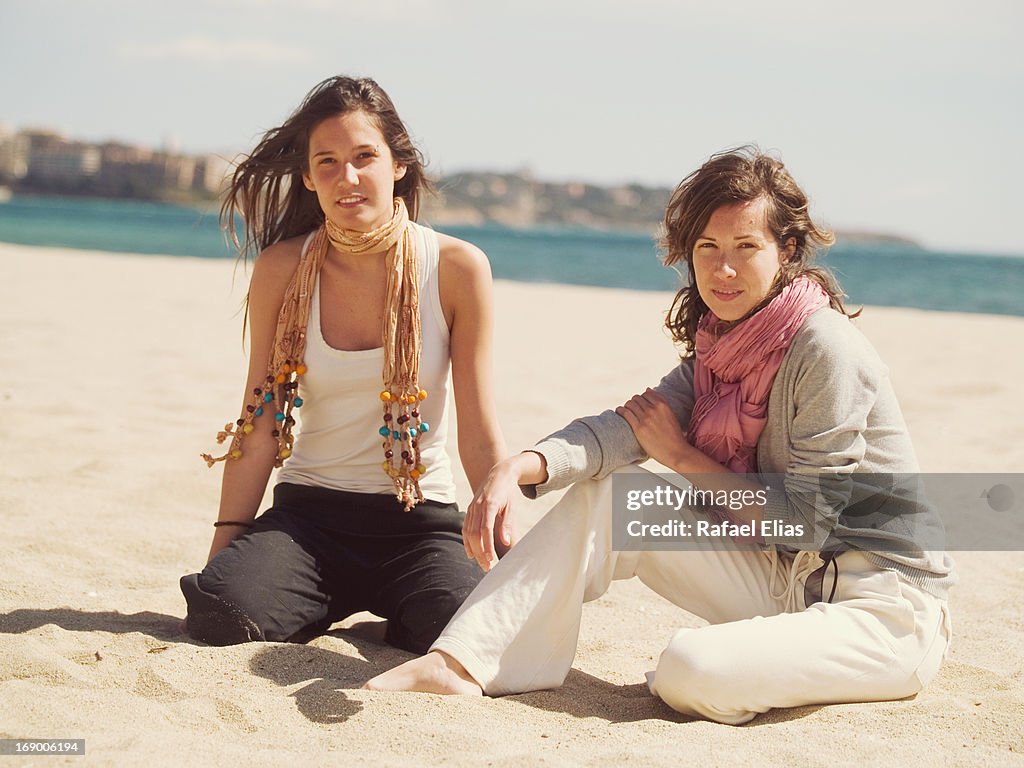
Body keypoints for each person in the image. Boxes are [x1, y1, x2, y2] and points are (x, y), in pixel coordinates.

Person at [364, 147, 956, 724]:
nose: (723, 269)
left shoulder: (825, 348)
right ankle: (462, 664)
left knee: (687, 669)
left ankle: (768, 660)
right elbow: (628, 429)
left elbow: (808, 520)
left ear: (788, 249)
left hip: (882, 606)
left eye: (746, 247)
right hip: (785, 577)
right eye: (708, 247)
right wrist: (522, 465)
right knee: (613, 494)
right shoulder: (722, 346)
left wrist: (681, 455)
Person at [180, 76, 507, 654]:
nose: (347, 178)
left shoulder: (457, 267)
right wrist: (227, 546)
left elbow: (479, 428)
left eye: (364, 157)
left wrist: (497, 537)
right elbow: (259, 420)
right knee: (221, 613)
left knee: (469, 633)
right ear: (308, 177)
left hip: (420, 519)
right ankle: (320, 601)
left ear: (398, 163)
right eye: (326, 162)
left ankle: (399, 612)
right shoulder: (284, 268)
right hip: (310, 518)